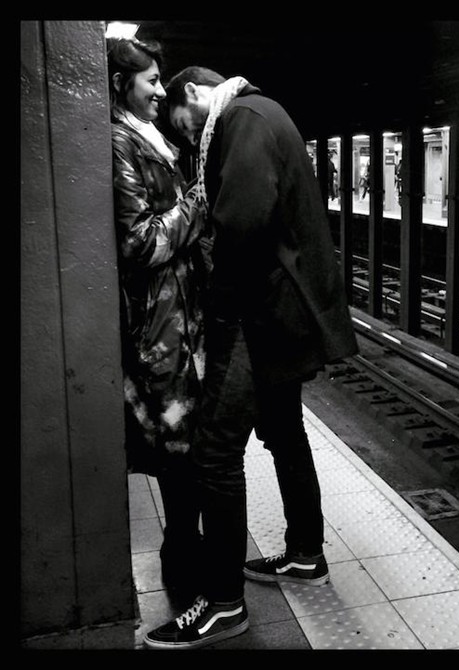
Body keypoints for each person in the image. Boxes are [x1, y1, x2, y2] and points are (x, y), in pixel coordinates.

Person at [142, 66, 359, 649]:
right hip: (283, 309)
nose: (186, 134)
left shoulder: (242, 121)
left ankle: (222, 604)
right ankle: (306, 553)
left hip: (258, 314)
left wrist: (214, 314)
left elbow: (240, 225)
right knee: (284, 433)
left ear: (193, 93)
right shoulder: (261, 113)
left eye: (181, 122)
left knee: (215, 454)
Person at [106, 39, 211, 606]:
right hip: (160, 319)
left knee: (189, 438)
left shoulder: (150, 138)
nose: (159, 90)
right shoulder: (119, 142)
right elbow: (140, 242)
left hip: (183, 312)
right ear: (120, 83)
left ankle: (188, 545)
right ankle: (182, 555)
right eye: (149, 80)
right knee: (175, 437)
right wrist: (196, 202)